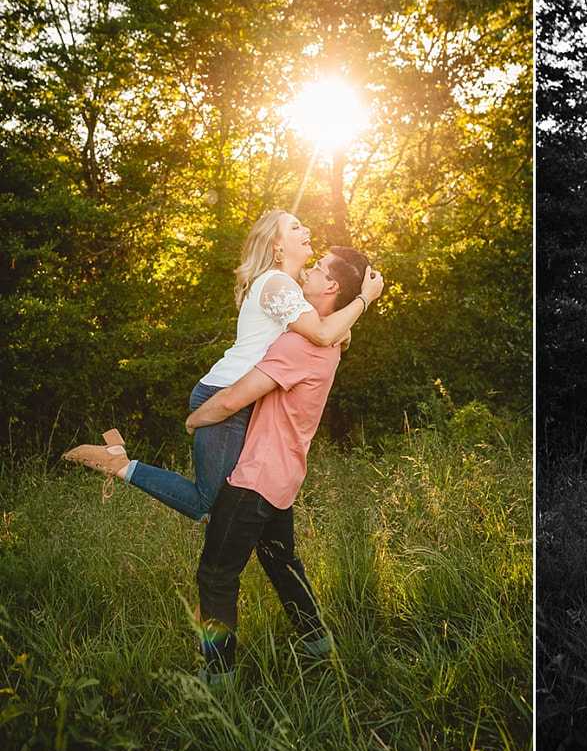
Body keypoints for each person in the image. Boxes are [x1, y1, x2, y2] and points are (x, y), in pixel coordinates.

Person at [61, 210, 383, 523]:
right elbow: (324, 332)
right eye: (296, 227)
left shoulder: (290, 289)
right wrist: (365, 299)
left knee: (236, 499)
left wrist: (345, 328)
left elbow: (329, 327)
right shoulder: (277, 285)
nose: (306, 232)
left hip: (238, 398)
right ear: (277, 245)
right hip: (225, 396)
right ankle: (119, 464)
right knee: (208, 503)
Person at [183, 245, 375, 687]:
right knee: (281, 562)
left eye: (320, 267)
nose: (309, 268)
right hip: (284, 478)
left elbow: (233, 398)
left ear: (331, 286)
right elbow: (338, 331)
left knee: (215, 576)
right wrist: (362, 300)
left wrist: (194, 419)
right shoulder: (330, 342)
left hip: (253, 479)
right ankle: (318, 647)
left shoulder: (299, 344)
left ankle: (217, 680)